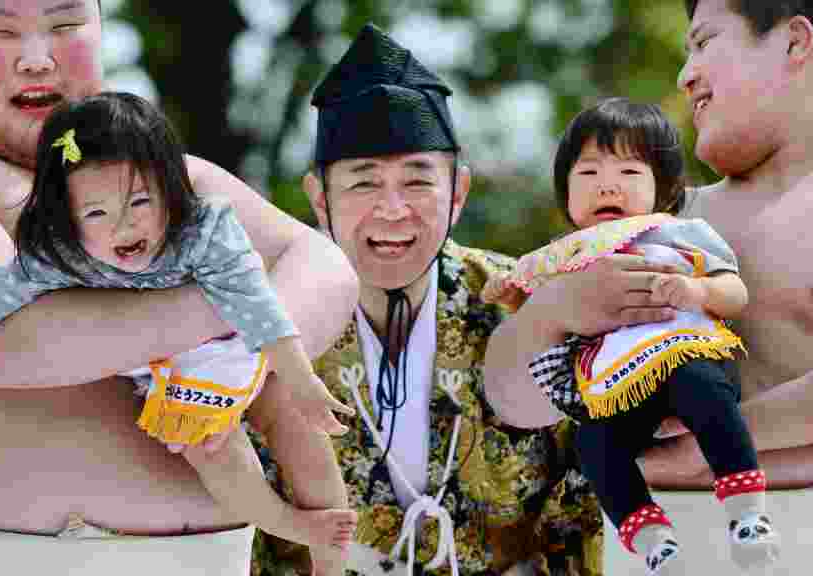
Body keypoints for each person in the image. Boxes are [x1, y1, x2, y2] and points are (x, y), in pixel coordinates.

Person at [0, 1, 359, 574]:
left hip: (216, 559)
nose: (36, 59)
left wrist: (237, 364)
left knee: (289, 411)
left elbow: (324, 264)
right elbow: (6, 345)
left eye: (66, 25)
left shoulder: (173, 176)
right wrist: (236, 302)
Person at [485, 0, 813, 571]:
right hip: (660, 548)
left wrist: (715, 441)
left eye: (703, 42)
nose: (685, 74)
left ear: (794, 42)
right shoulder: (659, 224)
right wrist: (551, 311)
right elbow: (512, 402)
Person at [249, 23, 604, 576]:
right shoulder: (267, 317)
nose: (393, 209)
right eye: (363, 183)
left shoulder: (529, 301)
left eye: (418, 182)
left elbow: (582, 501)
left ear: (458, 192)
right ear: (320, 197)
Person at [483, 98, 778, 575]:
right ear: (566, 194)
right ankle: (653, 541)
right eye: (588, 173)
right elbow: (532, 310)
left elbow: (735, 292)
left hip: (687, 353)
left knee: (703, 390)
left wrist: (694, 290)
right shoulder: (563, 255)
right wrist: (511, 293)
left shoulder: (680, 232)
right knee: (594, 444)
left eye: (628, 172)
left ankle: (747, 513)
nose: (607, 184)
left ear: (663, 190)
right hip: (617, 382)